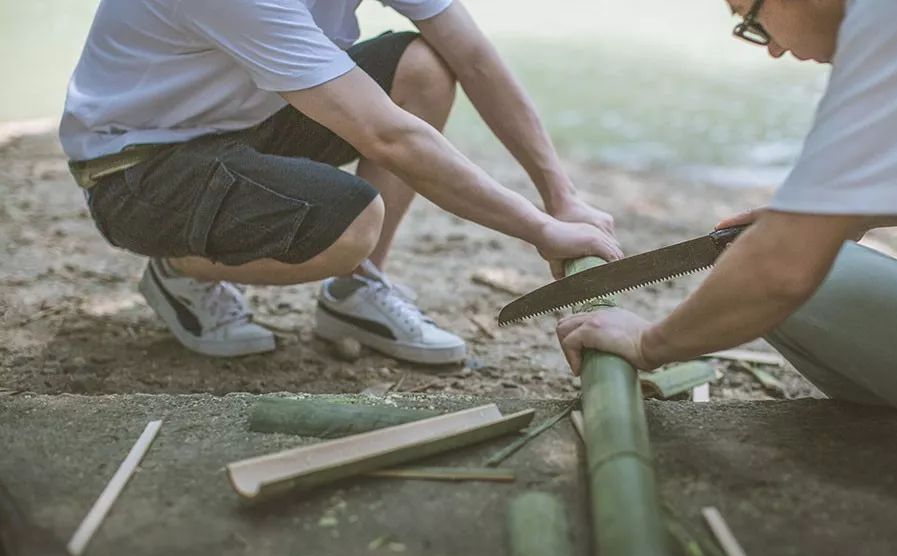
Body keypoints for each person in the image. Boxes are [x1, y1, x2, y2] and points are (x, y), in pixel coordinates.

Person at [61, 0, 621, 364]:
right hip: (137, 169)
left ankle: (357, 289)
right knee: (353, 224)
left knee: (424, 66)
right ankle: (176, 269)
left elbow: (471, 56)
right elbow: (387, 136)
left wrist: (560, 195)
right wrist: (539, 230)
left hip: (245, 119)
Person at [557, 0, 897, 451]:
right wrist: (856, 214)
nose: (770, 50)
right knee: (774, 265)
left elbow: (778, 271)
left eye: (750, 20)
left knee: (770, 281)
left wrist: (648, 344)